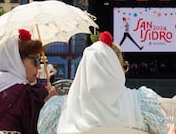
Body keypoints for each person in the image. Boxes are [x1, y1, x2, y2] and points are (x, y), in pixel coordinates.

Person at [37, 31, 166, 134]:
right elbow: (161, 130)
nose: (125, 71)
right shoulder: (142, 104)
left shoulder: (57, 110)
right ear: (114, 69)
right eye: (123, 66)